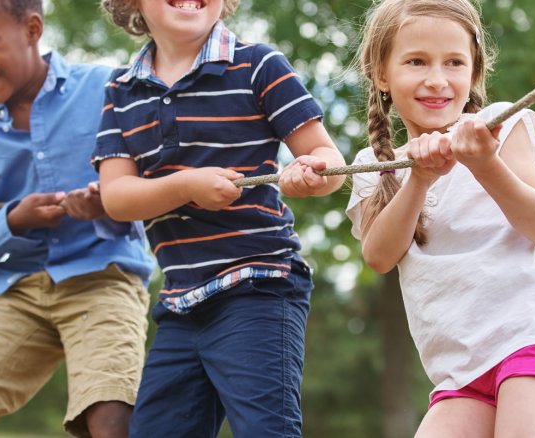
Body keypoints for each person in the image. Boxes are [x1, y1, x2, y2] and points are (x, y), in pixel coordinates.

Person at [346, 0, 535, 436]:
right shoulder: (373, 165)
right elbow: (379, 257)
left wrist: (484, 164)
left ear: (474, 72)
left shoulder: (499, 128)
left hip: (533, 336)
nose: (437, 79)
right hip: (458, 372)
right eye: (416, 61)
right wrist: (419, 180)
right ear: (382, 73)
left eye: (454, 62)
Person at [93, 1, 346, 436]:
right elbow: (116, 197)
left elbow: (327, 158)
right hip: (179, 302)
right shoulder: (121, 90)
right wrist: (186, 186)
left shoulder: (258, 64)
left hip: (258, 285)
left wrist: (310, 176)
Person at [0, 0, 156, 437]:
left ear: (33, 29)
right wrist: (13, 220)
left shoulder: (107, 89)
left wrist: (105, 205)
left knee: (109, 413)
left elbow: (148, 193)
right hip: (20, 290)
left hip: (103, 276)